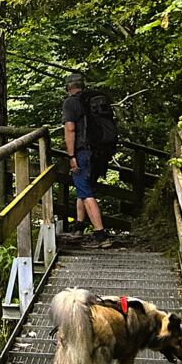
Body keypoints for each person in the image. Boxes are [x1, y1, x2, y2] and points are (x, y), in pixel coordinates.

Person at [62, 73, 108, 244]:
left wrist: (71, 156)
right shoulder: (92, 101)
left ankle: (101, 234)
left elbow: (70, 130)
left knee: (86, 192)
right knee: (83, 188)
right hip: (99, 152)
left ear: (68, 88)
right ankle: (79, 226)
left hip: (82, 152)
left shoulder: (70, 103)